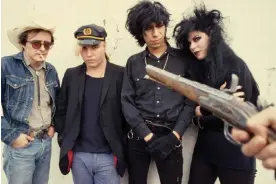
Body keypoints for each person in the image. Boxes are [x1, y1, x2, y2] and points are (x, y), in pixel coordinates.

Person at [173, 5, 260, 184]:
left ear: (211, 34)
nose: (193, 46)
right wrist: (212, 106)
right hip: (205, 149)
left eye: (197, 39)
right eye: (189, 42)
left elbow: (235, 113)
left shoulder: (235, 66)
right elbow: (194, 111)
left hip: (236, 151)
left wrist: (202, 111)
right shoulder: (199, 70)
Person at [121, 1, 194, 184]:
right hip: (139, 136)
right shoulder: (134, 63)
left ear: (165, 26)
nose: (155, 33)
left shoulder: (183, 61)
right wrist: (147, 135)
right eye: (149, 28)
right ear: (141, 32)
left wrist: (175, 135)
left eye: (159, 26)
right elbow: (126, 102)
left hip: (171, 135)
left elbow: (190, 101)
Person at [54, 24, 127, 184]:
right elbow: (61, 110)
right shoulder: (72, 75)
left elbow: (128, 113)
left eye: (94, 47)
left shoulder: (120, 75)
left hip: (108, 156)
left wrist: (121, 144)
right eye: (84, 48)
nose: (89, 54)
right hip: (79, 156)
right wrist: (65, 140)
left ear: (104, 45)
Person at [1, 19, 59, 184]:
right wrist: (11, 137)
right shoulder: (6, 66)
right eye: (36, 43)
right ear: (23, 44)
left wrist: (54, 125)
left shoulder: (51, 71)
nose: (42, 48)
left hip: (45, 144)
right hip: (21, 146)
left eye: (47, 44)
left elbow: (57, 103)